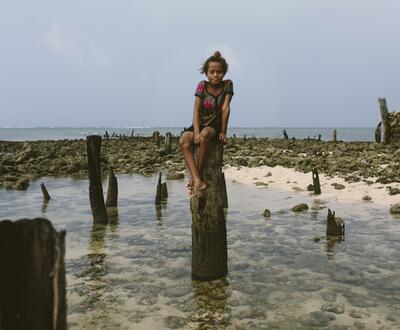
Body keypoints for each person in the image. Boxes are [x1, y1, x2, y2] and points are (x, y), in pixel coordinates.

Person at [179, 51, 234, 198]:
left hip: (214, 127)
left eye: (219, 72)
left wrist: (223, 132)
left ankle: (197, 178)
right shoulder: (201, 86)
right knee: (184, 139)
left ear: (224, 72)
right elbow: (196, 109)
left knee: (204, 136)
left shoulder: (227, 84)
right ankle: (198, 180)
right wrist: (195, 132)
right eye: (212, 72)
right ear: (206, 73)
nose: (216, 75)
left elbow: (225, 108)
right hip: (199, 123)